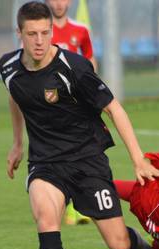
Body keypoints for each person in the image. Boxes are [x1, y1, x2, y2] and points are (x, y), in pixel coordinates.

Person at [0, 2, 159, 249]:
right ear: (20, 34)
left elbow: (115, 110)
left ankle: (136, 243)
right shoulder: (8, 67)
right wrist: (18, 142)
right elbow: (15, 96)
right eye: (32, 34)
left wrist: (137, 159)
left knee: (116, 243)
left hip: (88, 162)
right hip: (46, 164)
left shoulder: (73, 68)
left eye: (45, 32)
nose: (40, 40)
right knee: (46, 221)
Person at [46, 0, 98, 224]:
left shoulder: (80, 29)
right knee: (56, 153)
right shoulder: (42, 30)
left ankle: (79, 206)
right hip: (51, 105)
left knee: (82, 152)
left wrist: (92, 88)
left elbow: (90, 59)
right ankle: (63, 204)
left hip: (76, 104)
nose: (58, 4)